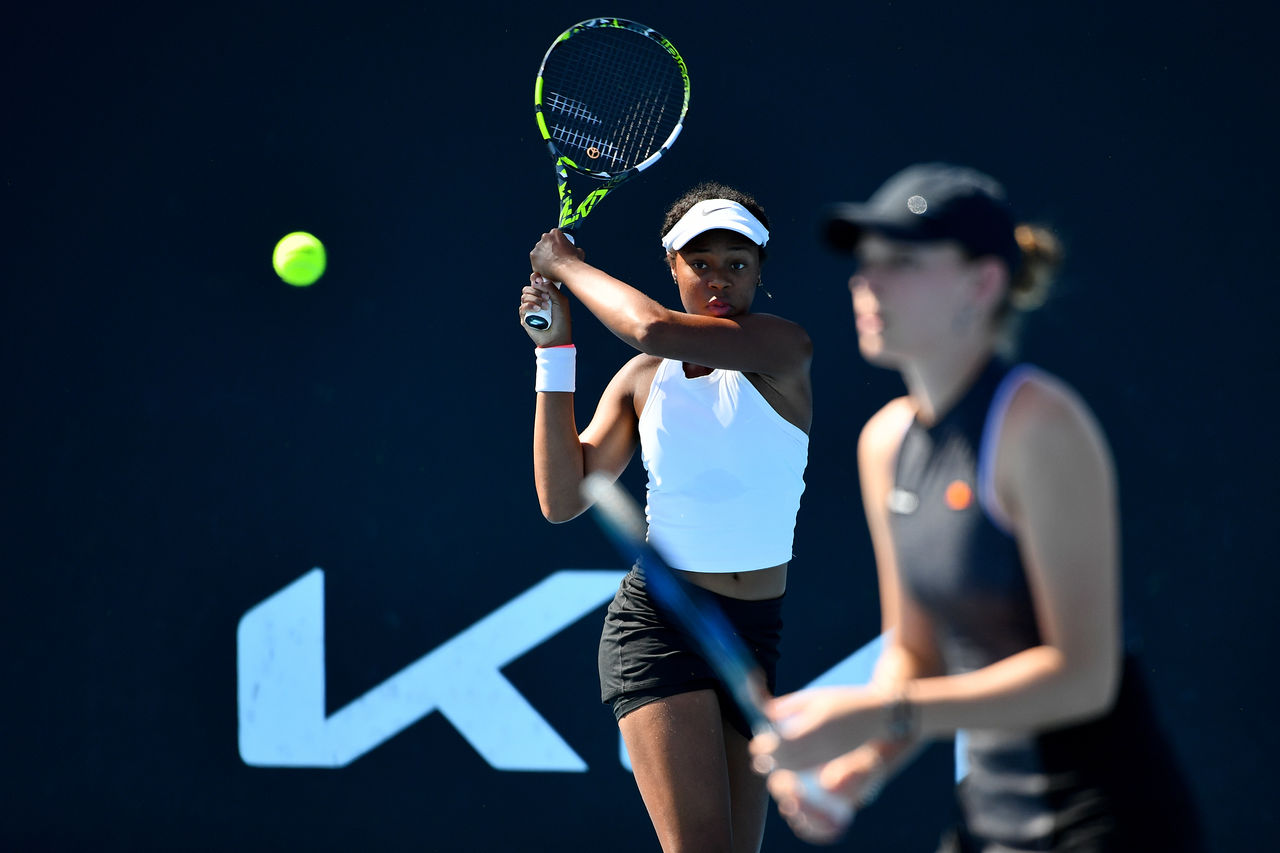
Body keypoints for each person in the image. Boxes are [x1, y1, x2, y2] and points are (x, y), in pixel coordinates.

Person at [748, 163, 1204, 851]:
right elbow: (915, 647)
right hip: (986, 823)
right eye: (865, 261)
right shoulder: (886, 443)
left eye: (901, 260)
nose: (867, 280)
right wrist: (861, 767)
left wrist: (877, 712)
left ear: (982, 282)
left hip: (1108, 825)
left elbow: (1083, 677)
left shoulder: (1041, 425)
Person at [519, 182, 813, 853]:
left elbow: (648, 323)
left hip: (752, 638)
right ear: (672, 267)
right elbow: (563, 499)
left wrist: (563, 263)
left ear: (761, 273)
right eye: (699, 262)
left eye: (736, 265)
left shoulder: (783, 349)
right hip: (660, 625)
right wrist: (554, 354)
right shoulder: (641, 380)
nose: (718, 279)